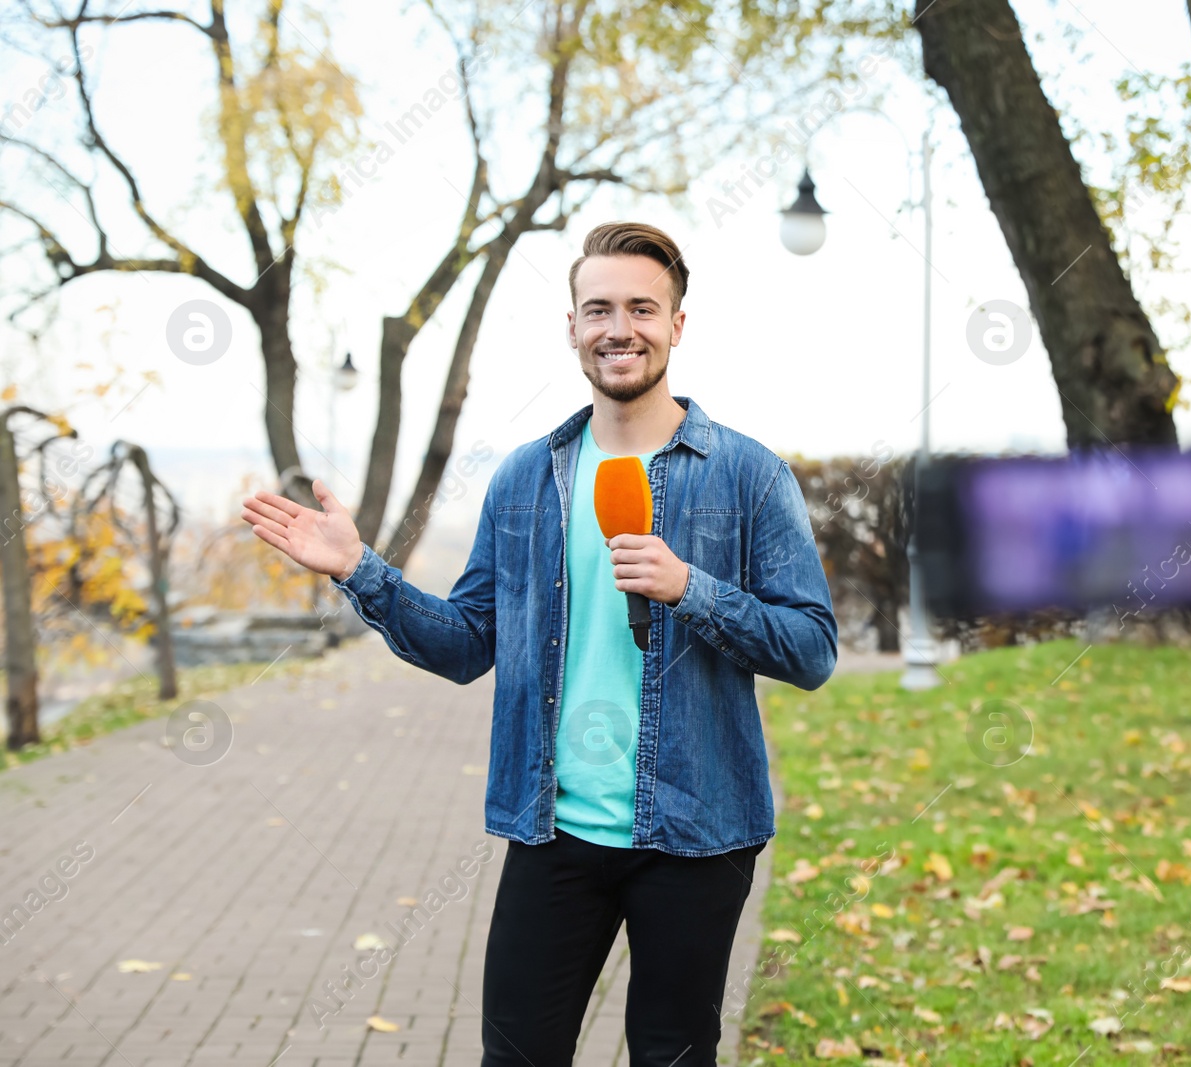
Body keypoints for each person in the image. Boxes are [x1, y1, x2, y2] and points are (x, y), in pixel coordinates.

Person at [240, 221, 838, 1066]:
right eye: (598, 309)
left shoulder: (746, 474)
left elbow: (811, 649)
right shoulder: (527, 476)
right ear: (572, 326)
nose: (618, 328)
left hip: (698, 833)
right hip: (553, 831)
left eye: (641, 308)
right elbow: (463, 646)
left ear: (676, 324)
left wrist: (691, 587)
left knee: (673, 1052)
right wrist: (361, 569)